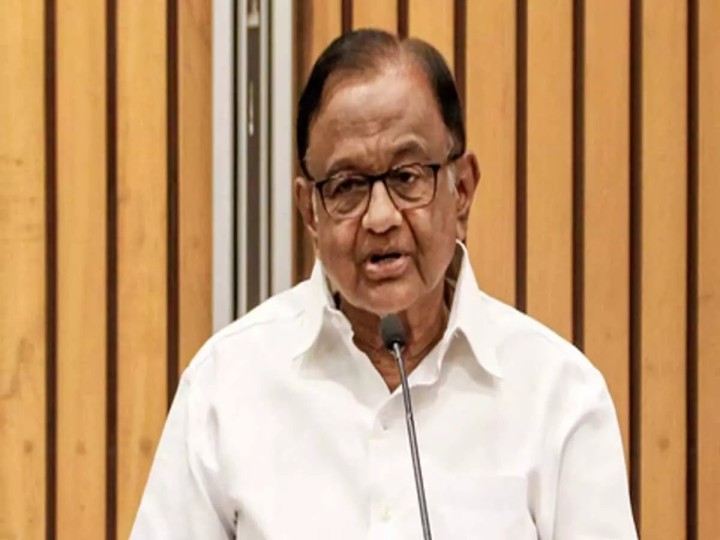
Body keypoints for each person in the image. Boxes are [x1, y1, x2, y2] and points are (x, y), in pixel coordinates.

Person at [131, 29, 637, 539]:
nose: (380, 218)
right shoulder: (226, 387)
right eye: (347, 186)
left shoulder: (558, 397)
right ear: (310, 211)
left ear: (462, 190)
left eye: (407, 177)